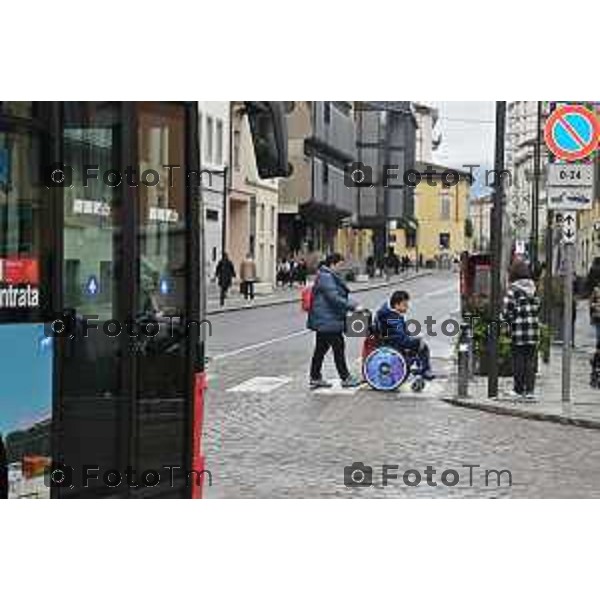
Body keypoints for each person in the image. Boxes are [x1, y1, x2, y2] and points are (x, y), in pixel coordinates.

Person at [307, 253, 361, 389]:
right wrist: (353, 306)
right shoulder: (326, 277)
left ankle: (315, 377)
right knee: (338, 347)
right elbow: (334, 297)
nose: (341, 268)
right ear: (333, 264)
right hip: (328, 320)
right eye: (340, 265)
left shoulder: (327, 275)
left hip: (325, 319)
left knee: (321, 349)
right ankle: (345, 377)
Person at [501, 260, 541, 400]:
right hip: (533, 330)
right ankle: (530, 391)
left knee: (518, 359)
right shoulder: (534, 288)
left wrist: (507, 321)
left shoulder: (513, 289)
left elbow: (507, 311)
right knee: (530, 361)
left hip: (518, 330)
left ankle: (518, 389)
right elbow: (538, 307)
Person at [374, 290, 434, 380]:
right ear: (396, 305)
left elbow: (402, 330)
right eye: (405, 305)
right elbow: (401, 337)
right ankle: (424, 370)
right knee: (422, 346)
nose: (407, 307)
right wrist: (417, 339)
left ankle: (419, 366)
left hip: (391, 338)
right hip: (393, 342)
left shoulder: (389, 310)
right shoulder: (392, 317)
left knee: (417, 342)